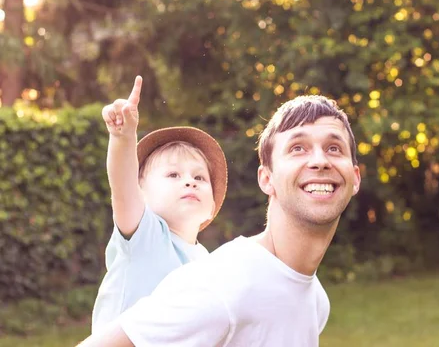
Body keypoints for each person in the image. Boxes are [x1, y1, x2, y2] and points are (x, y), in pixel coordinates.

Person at [79, 94, 361, 346]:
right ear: (266, 179)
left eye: (334, 148)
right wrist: (123, 138)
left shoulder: (315, 301)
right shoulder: (215, 280)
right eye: (298, 147)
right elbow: (123, 189)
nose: (320, 161)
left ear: (356, 177)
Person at [91, 76, 228, 334]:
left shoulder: (206, 261)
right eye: (173, 175)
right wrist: (123, 138)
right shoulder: (146, 236)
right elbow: (122, 186)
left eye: (199, 177)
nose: (190, 182)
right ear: (140, 194)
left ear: (211, 207)